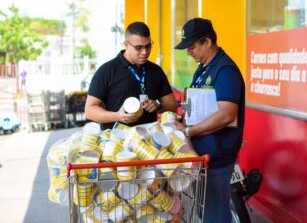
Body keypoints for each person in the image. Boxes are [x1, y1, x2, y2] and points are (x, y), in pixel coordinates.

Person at [174, 18, 245, 223]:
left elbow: (226, 114)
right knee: (205, 215)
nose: (189, 52)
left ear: (207, 41)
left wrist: (189, 131)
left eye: (192, 46)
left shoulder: (225, 70)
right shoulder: (204, 68)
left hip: (216, 160)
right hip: (202, 158)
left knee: (214, 217)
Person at [85, 21, 178, 130]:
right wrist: (117, 116)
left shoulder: (156, 71)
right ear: (126, 45)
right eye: (138, 48)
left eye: (148, 46)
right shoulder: (106, 71)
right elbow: (89, 111)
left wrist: (158, 106)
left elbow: (172, 105)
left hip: (149, 139)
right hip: (117, 140)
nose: (144, 52)